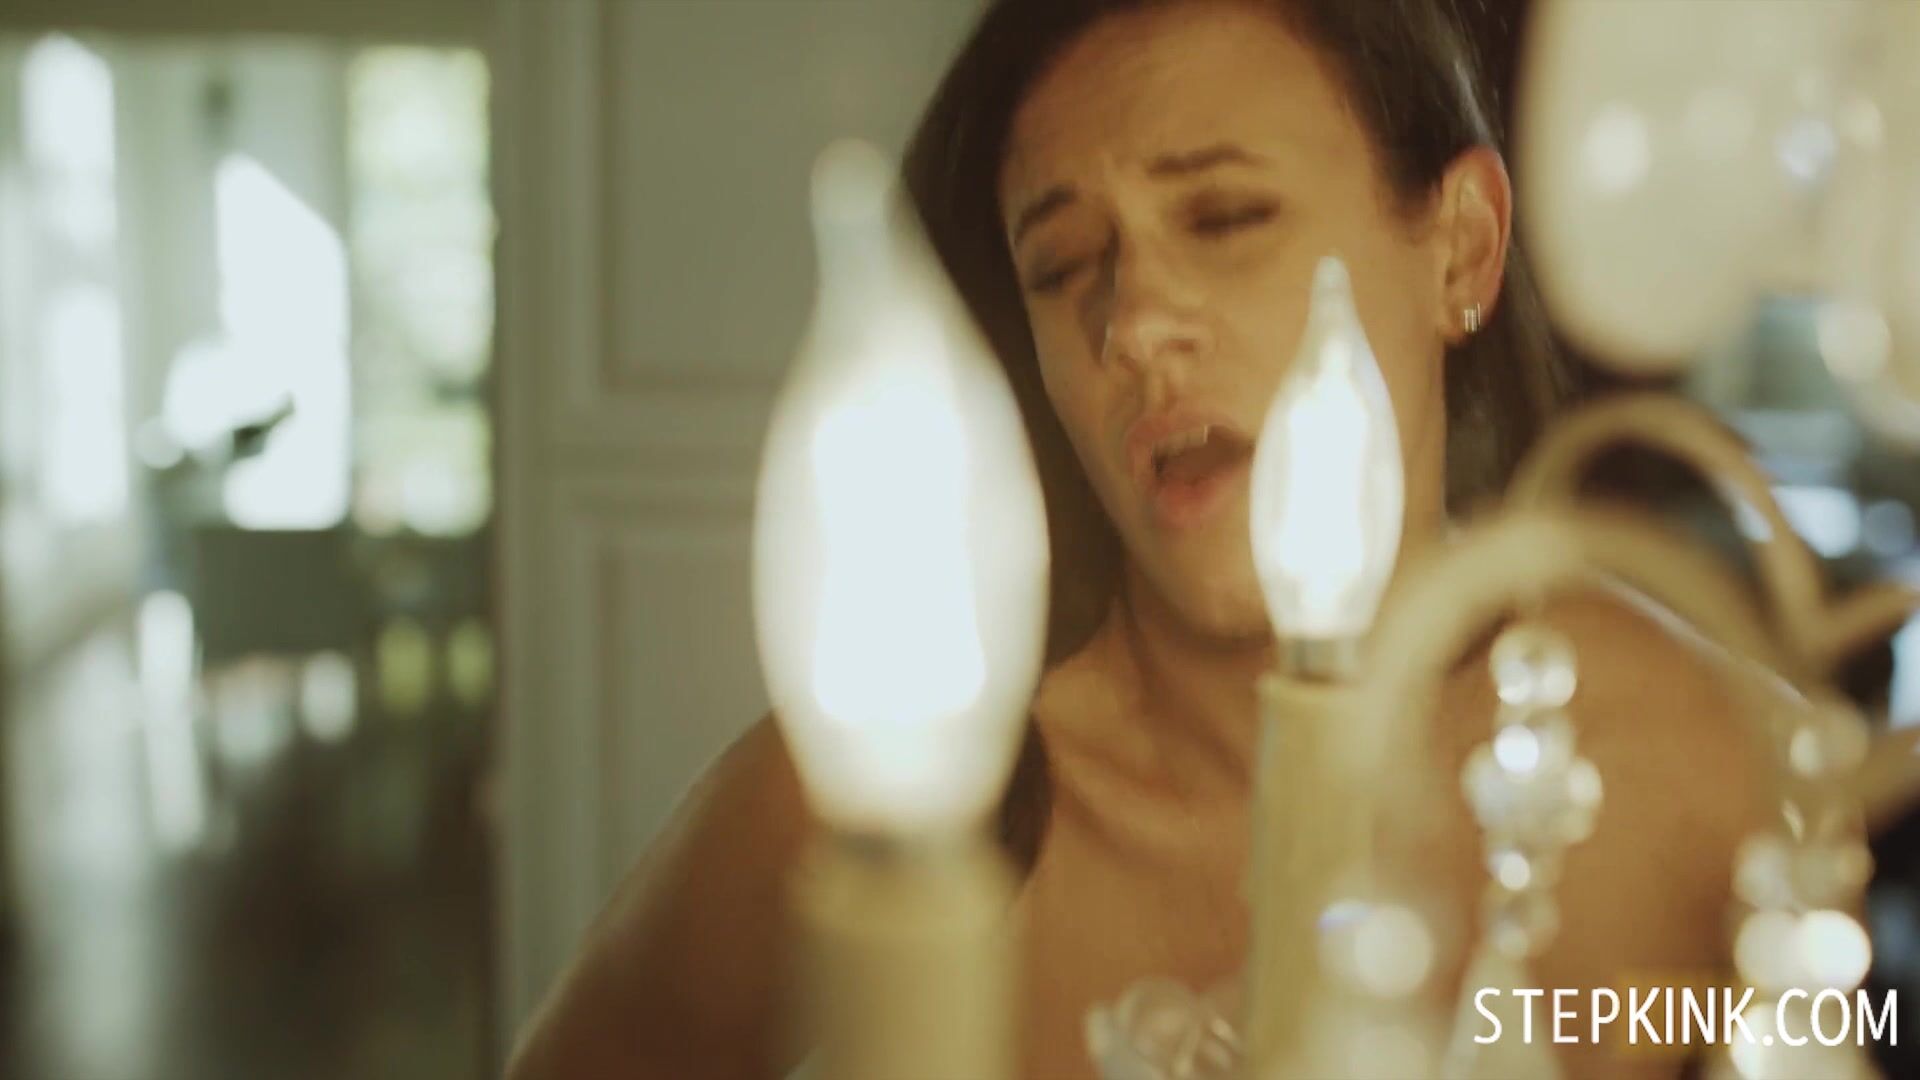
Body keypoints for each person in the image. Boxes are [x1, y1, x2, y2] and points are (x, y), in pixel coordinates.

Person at [506, 2, 1775, 1076]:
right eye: (1064, 265)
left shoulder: (1708, 773)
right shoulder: (865, 823)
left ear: (1463, 248)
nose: (1134, 325)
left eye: (1224, 217)